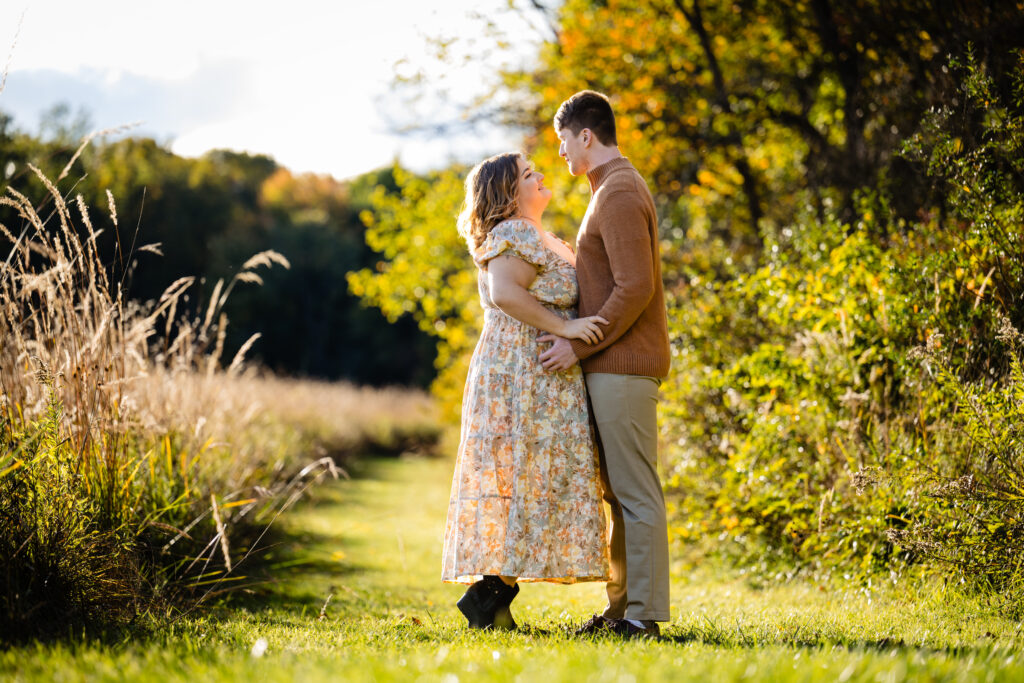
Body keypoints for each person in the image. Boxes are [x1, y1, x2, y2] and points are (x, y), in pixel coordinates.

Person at [441, 151, 611, 630]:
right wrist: (569, 327)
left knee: (539, 483)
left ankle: (491, 601)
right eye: (528, 174)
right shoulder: (513, 232)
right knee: (524, 482)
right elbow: (506, 295)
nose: (540, 175)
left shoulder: (543, 236)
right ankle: (488, 597)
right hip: (518, 375)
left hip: (543, 378)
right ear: (507, 193)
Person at [539, 90, 672, 639]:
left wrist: (578, 344)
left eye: (564, 141)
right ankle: (622, 611)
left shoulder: (617, 190)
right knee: (620, 493)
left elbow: (635, 286)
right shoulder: (609, 189)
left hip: (622, 364)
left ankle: (643, 616)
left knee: (636, 493)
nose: (562, 154)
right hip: (611, 364)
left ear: (585, 135)